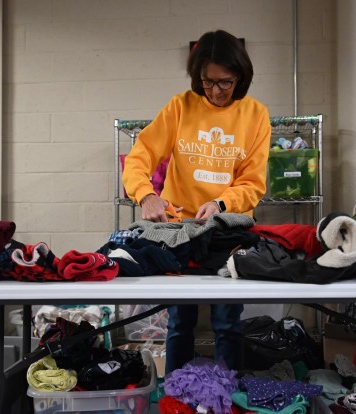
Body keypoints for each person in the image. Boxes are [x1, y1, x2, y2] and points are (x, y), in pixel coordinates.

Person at [121, 29, 271, 373]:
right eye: (208, 82)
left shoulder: (255, 115)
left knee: (227, 322)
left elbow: (253, 183)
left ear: (241, 77)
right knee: (179, 324)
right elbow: (139, 156)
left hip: (226, 233)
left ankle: (227, 395)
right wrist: (146, 195)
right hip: (178, 232)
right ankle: (176, 394)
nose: (216, 92)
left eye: (225, 83)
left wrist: (220, 204)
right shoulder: (180, 107)